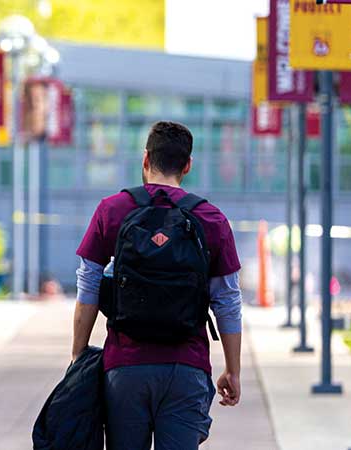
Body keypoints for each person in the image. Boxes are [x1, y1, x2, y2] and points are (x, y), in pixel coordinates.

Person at [70, 121, 243, 450]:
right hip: (187, 367)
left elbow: (88, 286)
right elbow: (227, 301)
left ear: (145, 159)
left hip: (125, 367)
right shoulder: (211, 219)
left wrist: (79, 354)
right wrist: (232, 370)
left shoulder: (112, 210)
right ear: (188, 165)